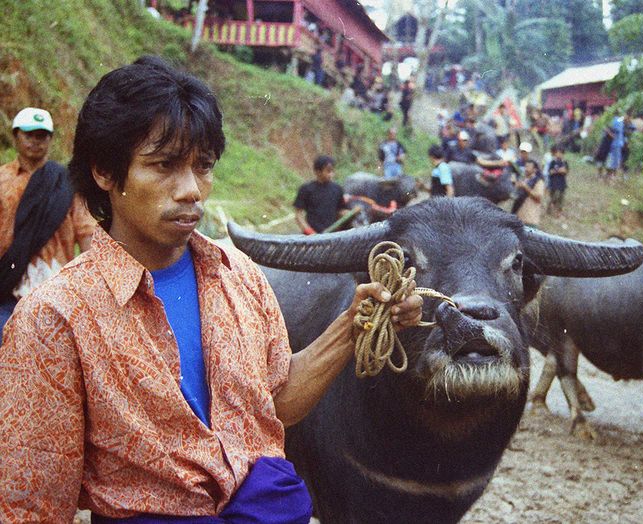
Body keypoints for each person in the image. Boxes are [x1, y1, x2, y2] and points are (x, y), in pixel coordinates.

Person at [0, 56, 423, 521]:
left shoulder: (239, 276)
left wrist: (355, 324)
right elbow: (33, 504)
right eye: (164, 166)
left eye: (203, 167)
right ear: (104, 172)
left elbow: (275, 404)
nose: (191, 190)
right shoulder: (55, 316)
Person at [0, 107, 95, 340]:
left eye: (41, 135)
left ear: (50, 139)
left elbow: (87, 236)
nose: (35, 141)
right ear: (16, 136)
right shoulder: (2, 181)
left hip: (55, 294)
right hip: (7, 290)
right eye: (28, 134)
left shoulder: (67, 184)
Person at [294, 155, 347, 234]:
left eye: (332, 171)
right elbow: (298, 214)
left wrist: (349, 213)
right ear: (317, 172)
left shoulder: (337, 189)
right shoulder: (306, 189)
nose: (331, 174)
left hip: (332, 235)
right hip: (312, 237)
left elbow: (340, 210)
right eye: (328, 171)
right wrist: (309, 232)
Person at [514, 159, 546, 226]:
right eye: (525, 166)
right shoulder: (523, 179)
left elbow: (538, 197)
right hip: (518, 216)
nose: (525, 169)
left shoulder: (539, 182)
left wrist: (525, 187)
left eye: (528, 167)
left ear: (534, 170)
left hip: (530, 219)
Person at [605, 112, 630, 177]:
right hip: (616, 144)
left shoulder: (617, 120)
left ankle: (611, 175)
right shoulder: (618, 120)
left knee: (613, 160)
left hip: (615, 144)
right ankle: (612, 175)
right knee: (614, 160)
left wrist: (607, 130)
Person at [546, 146, 568, 217]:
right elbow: (550, 171)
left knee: (560, 198)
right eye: (558, 153)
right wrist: (558, 170)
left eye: (561, 153)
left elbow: (565, 171)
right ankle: (549, 209)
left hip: (562, 184)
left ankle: (558, 212)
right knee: (552, 197)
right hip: (553, 183)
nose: (559, 154)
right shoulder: (552, 162)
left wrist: (559, 170)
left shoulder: (564, 162)